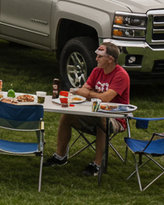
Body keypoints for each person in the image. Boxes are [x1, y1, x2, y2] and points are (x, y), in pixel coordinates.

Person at [44, 42, 131, 177]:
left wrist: (90, 94)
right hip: (93, 112)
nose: (96, 59)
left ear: (110, 59)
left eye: (100, 56)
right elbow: (82, 90)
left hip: (116, 118)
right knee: (67, 115)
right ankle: (60, 156)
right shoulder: (97, 71)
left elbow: (106, 97)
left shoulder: (121, 75)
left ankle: (97, 165)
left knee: (102, 120)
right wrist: (92, 94)